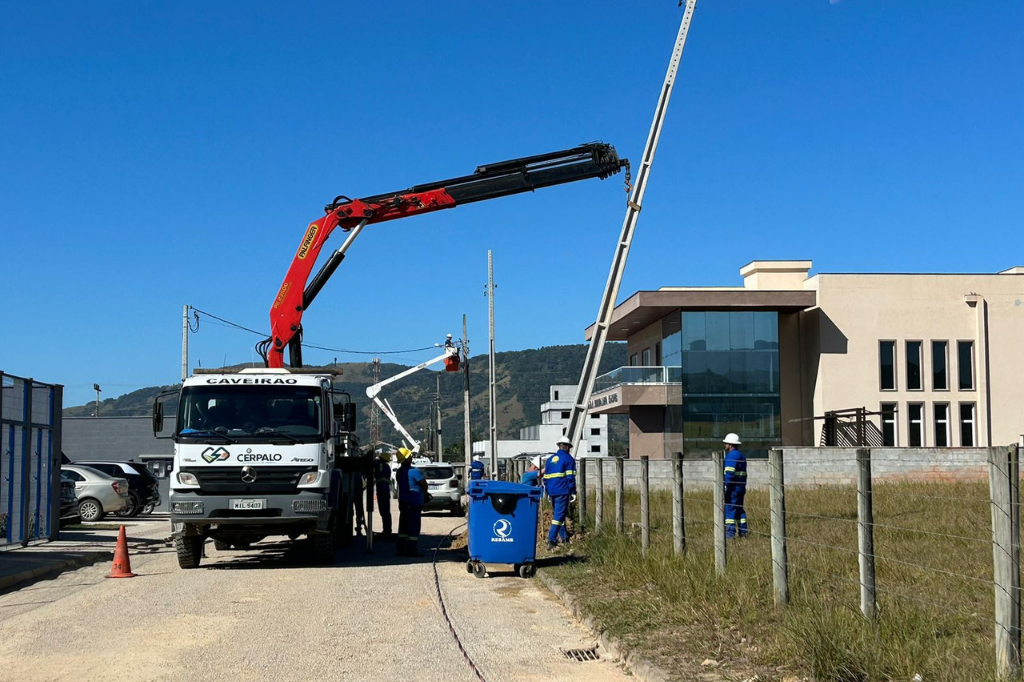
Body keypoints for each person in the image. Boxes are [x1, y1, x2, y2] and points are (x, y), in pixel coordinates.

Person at [543, 436, 576, 550]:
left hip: (551, 491)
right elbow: (570, 477)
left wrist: (547, 492)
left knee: (559, 514)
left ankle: (564, 538)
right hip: (562, 490)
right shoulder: (568, 459)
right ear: (567, 447)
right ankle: (551, 540)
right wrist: (573, 491)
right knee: (558, 516)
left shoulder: (550, 459)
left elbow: (546, 478)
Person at [396, 448, 427, 557]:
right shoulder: (414, 471)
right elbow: (424, 483)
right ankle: (412, 549)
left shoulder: (399, 472)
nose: (411, 457)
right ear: (406, 459)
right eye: (410, 456)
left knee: (403, 526)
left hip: (403, 502)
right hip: (414, 503)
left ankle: (401, 548)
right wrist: (426, 493)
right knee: (414, 526)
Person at [723, 433, 748, 538]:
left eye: (726, 443)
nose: (725, 445)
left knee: (730, 510)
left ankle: (730, 535)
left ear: (730, 445)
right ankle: (743, 532)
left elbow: (729, 472)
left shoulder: (732, 455)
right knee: (739, 510)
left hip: (732, 488)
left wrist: (725, 485)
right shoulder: (741, 455)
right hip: (741, 487)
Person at [372, 451, 394, 540]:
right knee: (385, 512)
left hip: (382, 491)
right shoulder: (386, 466)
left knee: (384, 512)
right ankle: (387, 530)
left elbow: (376, 469)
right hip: (384, 491)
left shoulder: (382, 466)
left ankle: (387, 530)